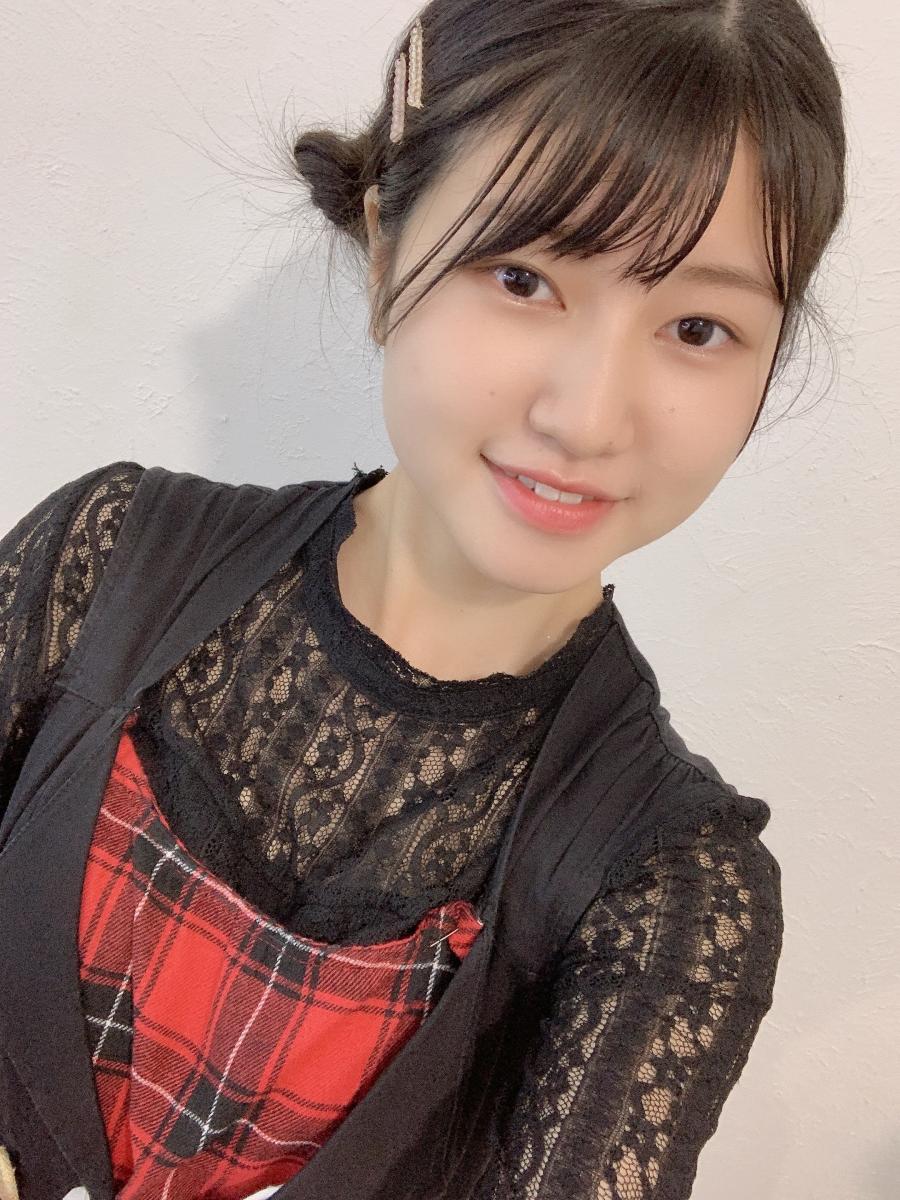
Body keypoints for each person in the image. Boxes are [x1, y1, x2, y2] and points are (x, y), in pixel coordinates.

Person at [0, 2, 847, 1198]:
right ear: (387, 247)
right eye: (523, 276)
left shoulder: (667, 895)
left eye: (698, 327)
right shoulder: (103, 559)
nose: (587, 417)